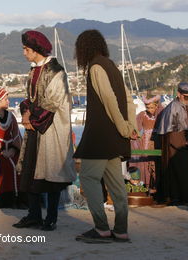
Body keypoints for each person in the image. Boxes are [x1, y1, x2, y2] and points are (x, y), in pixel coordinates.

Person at [73, 30, 138, 243]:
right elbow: (128, 98)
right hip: (115, 138)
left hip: (101, 135)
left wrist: (123, 127)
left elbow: (109, 99)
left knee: (88, 178)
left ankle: (101, 228)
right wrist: (131, 125)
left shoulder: (96, 67)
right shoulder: (111, 65)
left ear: (84, 48)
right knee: (116, 184)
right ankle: (121, 230)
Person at [12, 30, 76, 231]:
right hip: (34, 128)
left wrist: (33, 118)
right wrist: (25, 114)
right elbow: (30, 98)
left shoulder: (56, 71)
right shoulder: (33, 71)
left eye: (26, 49)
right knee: (30, 171)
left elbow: (54, 101)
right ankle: (33, 215)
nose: (24, 53)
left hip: (49, 129)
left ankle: (51, 218)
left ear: (36, 50)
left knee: (51, 174)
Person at [154, 82, 188, 207]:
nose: (187, 99)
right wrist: (187, 142)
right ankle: (187, 198)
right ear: (179, 94)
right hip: (178, 148)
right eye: (185, 96)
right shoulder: (172, 108)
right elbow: (171, 134)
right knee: (183, 169)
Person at [129, 95, 163, 192]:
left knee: (157, 164)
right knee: (146, 164)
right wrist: (133, 134)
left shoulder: (161, 114)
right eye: (147, 107)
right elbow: (136, 129)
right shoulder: (142, 115)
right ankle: (147, 187)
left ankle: (158, 187)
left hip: (157, 143)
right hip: (145, 144)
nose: (149, 110)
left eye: (152, 107)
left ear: (157, 106)